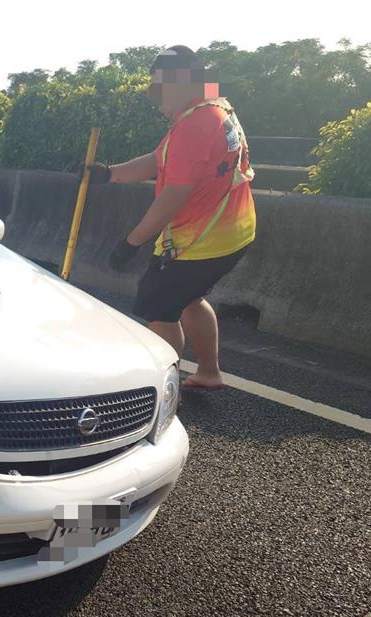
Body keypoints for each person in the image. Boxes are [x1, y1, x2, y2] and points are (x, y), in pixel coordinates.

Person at [89, 45, 256, 391]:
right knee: (189, 297)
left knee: (159, 305)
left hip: (199, 240)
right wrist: (109, 174)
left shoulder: (195, 125)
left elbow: (173, 196)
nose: (155, 97)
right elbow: (160, 159)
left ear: (182, 82)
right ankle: (208, 372)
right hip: (232, 231)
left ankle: (164, 392)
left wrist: (130, 243)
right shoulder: (214, 108)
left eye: (158, 87)